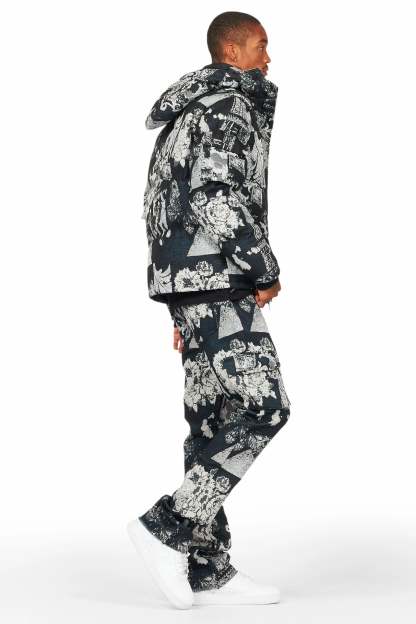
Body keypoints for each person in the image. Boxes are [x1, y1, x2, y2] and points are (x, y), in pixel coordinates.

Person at [127, 11, 292, 609]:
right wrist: (261, 267)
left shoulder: (187, 110)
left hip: (191, 281)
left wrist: (178, 299)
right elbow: (211, 194)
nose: (269, 57)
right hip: (217, 279)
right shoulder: (228, 104)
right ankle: (167, 526)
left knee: (212, 421)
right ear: (234, 50)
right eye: (261, 45)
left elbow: (161, 205)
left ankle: (207, 567)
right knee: (265, 407)